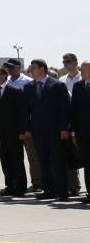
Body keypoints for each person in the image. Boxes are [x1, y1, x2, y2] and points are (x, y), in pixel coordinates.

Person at [22, 59, 72, 200]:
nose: (30, 70)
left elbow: (64, 109)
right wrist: (26, 128)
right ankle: (48, 190)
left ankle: (62, 191)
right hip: (37, 131)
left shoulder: (57, 86)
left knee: (58, 162)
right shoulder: (29, 87)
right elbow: (26, 110)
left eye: (33, 68)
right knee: (43, 162)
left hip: (56, 131)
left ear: (42, 69)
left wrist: (64, 128)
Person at [0, 65, 27, 198]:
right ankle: (10, 185)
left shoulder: (15, 91)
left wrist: (22, 131)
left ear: (4, 76)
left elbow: (21, 113)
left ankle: (20, 187)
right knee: (5, 160)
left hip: (14, 132)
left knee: (17, 160)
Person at [4, 58, 40, 192]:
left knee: (33, 156)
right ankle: (15, 182)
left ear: (19, 67)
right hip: (11, 126)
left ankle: (37, 183)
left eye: (12, 67)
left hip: (27, 124)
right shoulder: (5, 81)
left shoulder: (28, 82)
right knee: (13, 157)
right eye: (8, 67)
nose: (9, 69)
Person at [59, 53, 82, 197]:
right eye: (64, 62)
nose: (66, 65)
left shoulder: (83, 78)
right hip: (68, 123)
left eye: (68, 62)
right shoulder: (62, 80)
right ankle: (74, 185)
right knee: (70, 156)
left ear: (75, 62)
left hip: (82, 122)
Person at [70, 61, 90, 204]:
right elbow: (74, 111)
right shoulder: (78, 86)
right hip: (83, 134)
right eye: (81, 69)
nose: (81, 72)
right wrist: (74, 133)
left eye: (84, 69)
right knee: (87, 165)